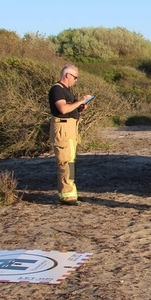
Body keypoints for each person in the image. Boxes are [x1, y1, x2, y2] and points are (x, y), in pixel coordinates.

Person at [48, 64, 93, 204]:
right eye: (75, 77)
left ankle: (71, 192)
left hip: (71, 127)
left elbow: (70, 109)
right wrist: (79, 101)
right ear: (67, 75)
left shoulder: (66, 90)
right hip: (63, 128)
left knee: (71, 162)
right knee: (65, 161)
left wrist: (80, 108)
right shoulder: (57, 89)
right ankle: (66, 195)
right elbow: (62, 109)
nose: (76, 80)